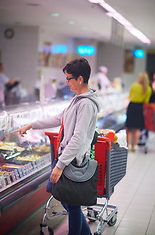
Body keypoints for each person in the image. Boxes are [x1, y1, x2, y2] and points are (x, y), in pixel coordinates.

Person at [12, 57, 101, 235]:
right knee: (70, 204)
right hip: (67, 159)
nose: (66, 82)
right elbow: (59, 118)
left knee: (72, 206)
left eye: (69, 78)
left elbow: (78, 138)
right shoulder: (77, 100)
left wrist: (60, 165)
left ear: (80, 79)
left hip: (73, 162)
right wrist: (31, 125)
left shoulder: (85, 104)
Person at [126, 72, 152, 152]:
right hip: (140, 108)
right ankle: (135, 146)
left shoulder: (134, 85)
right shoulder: (148, 89)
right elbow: (146, 101)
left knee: (129, 127)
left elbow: (130, 96)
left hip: (132, 106)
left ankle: (129, 145)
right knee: (137, 128)